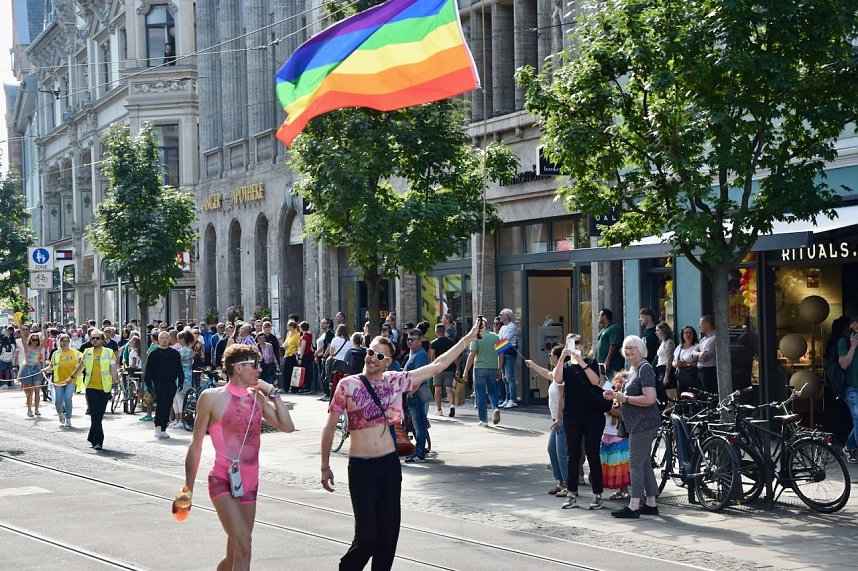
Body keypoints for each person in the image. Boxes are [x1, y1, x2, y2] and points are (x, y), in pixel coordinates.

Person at [320, 318, 484, 570]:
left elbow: (437, 366)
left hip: (388, 465)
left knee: (387, 539)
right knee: (366, 538)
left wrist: (468, 338)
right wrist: (325, 466)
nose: (372, 358)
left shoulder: (395, 381)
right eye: (370, 352)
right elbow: (330, 426)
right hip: (361, 468)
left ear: (388, 362)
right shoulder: (347, 385)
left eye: (379, 356)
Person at [182, 344, 294, 571]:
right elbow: (196, 446)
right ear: (238, 368)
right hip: (222, 479)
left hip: (249, 482)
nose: (259, 370)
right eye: (254, 365)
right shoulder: (211, 398)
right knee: (245, 545)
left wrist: (273, 393)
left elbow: (287, 426)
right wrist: (188, 490)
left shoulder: (258, 399)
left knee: (235, 552)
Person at [604, 336, 662, 518]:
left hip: (643, 424)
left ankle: (634, 505)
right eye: (626, 348)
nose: (629, 351)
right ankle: (651, 503)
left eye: (632, 348)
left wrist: (626, 399)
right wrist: (616, 395)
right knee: (643, 464)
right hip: (637, 423)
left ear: (641, 349)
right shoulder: (635, 368)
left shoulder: (645, 369)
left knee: (635, 465)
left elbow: (650, 398)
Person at [553, 338, 607, 510]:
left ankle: (598, 494)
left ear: (582, 347)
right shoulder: (567, 367)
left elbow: (595, 381)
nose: (574, 347)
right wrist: (562, 358)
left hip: (593, 415)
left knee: (592, 453)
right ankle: (571, 493)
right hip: (572, 415)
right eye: (570, 344)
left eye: (577, 344)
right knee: (573, 455)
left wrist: (581, 361)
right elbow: (557, 379)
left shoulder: (591, 362)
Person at [526, 345, 569, 498]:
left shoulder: (563, 374)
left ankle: (569, 485)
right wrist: (533, 365)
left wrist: (559, 417)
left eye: (551, 355)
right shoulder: (557, 373)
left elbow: (563, 398)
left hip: (561, 419)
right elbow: (547, 374)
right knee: (552, 449)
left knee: (561, 452)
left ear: (557, 358)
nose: (549, 357)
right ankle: (561, 482)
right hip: (555, 419)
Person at [68, 330, 117, 449]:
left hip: (105, 387)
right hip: (91, 387)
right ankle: (98, 441)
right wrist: (72, 377)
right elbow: (81, 366)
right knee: (95, 414)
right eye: (92, 339)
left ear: (102, 340)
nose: (94, 340)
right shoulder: (87, 352)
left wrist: (115, 384)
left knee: (99, 415)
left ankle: (91, 436)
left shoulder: (109, 352)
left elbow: (113, 369)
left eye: (97, 338)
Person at [463, 322, 503, 427]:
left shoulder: (476, 338)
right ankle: (495, 408)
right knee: (493, 390)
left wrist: (466, 370)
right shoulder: (497, 336)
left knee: (480, 393)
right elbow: (502, 353)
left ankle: (483, 420)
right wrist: (500, 368)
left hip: (480, 368)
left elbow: (472, 355)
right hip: (493, 367)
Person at [145, 331, 184, 439]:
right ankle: (157, 426)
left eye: (166, 338)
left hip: (171, 383)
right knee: (161, 404)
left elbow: (179, 368)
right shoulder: (154, 354)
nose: (164, 340)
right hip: (158, 383)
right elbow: (148, 371)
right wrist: (148, 386)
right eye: (162, 338)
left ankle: (163, 428)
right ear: (158, 339)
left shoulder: (174, 353)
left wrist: (181, 380)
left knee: (168, 405)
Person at [602, 370, 631, 500]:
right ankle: (621, 490)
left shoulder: (622, 398)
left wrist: (606, 406)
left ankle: (624, 489)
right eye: (618, 383)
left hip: (617, 434)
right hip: (608, 433)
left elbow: (619, 413)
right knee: (613, 463)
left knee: (621, 464)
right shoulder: (613, 396)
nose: (618, 385)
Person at [403, 329, 430, 463]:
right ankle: (419, 452)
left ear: (420, 341)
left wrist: (411, 392)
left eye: (412, 339)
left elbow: (420, 376)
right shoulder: (413, 353)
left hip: (416, 394)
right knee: (418, 423)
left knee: (419, 425)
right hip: (413, 393)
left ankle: (419, 454)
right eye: (408, 339)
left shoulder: (420, 355)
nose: (409, 341)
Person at [48, 334, 81, 428]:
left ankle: (68, 419)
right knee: (58, 401)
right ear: (59, 342)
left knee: (68, 398)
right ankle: (60, 414)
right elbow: (51, 366)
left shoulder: (75, 352)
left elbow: (82, 361)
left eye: (66, 340)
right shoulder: (56, 353)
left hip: (71, 380)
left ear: (69, 342)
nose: (64, 342)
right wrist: (45, 370)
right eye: (62, 340)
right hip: (59, 381)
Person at [838, 316, 858, 464]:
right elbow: (844, 364)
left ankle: (849, 446)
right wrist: (853, 346)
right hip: (851, 388)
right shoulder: (844, 342)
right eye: (855, 329)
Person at [430, 323, 458, 417]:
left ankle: (439, 410)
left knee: (437, 389)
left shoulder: (434, 343)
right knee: (449, 389)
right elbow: (455, 356)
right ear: (444, 331)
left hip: (438, 368)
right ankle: (452, 405)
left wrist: (431, 368)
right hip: (449, 368)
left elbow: (432, 357)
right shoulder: (451, 342)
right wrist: (457, 368)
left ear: (436, 332)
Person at [19, 333, 45, 417]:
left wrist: (45, 330)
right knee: (29, 392)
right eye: (33, 339)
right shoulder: (27, 347)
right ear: (30, 340)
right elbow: (22, 337)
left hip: (37, 369)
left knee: (37, 391)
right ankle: (29, 409)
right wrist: (20, 326)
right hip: (27, 369)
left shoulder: (39, 348)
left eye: (36, 340)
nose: (35, 341)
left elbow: (45, 340)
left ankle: (36, 409)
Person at [498, 308, 519, 408]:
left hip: (509, 354)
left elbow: (504, 340)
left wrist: (499, 344)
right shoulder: (502, 328)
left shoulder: (512, 327)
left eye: (502, 314)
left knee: (510, 377)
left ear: (507, 316)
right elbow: (500, 340)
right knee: (504, 378)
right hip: (502, 353)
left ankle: (513, 399)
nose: (500, 316)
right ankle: (507, 398)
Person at [595, 308, 624, 381]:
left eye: (599, 315)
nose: (598, 317)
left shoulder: (614, 328)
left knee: (612, 384)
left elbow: (614, 345)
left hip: (611, 365)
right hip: (601, 365)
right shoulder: (603, 330)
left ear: (604, 316)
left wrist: (608, 360)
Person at [693, 315, 717, 394]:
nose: (699, 326)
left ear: (707, 324)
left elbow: (705, 357)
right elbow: (693, 353)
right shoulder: (704, 339)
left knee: (710, 395)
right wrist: (699, 354)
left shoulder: (714, 337)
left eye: (701, 323)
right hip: (700, 371)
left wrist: (698, 355)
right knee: (701, 395)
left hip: (709, 371)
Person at [672, 326, 699, 393]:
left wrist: (686, 364)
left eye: (690, 333)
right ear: (682, 335)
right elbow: (673, 361)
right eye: (686, 333)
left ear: (693, 335)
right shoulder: (679, 347)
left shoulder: (697, 347)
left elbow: (699, 363)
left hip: (691, 378)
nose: (688, 335)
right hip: (680, 378)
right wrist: (675, 364)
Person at [654, 323, 676, 396]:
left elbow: (670, 359)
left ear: (663, 330)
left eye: (658, 330)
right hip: (660, 369)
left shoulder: (669, 342)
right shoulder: (662, 343)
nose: (656, 332)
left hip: (666, 369)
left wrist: (666, 376)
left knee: (668, 392)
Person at [282, 320, 300, 391]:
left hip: (293, 355)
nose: (287, 327)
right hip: (287, 354)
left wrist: (296, 352)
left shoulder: (297, 335)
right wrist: (284, 346)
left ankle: (294, 388)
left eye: (288, 326)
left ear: (292, 327)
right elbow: (285, 342)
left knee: (293, 372)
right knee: (285, 372)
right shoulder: (289, 333)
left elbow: (298, 346)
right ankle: (286, 387)